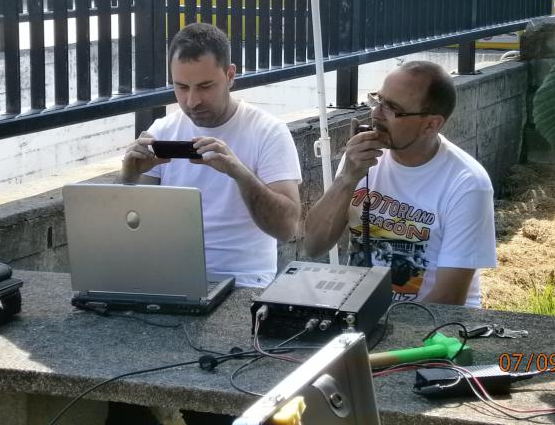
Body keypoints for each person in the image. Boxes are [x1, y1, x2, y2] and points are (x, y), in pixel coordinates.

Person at [118, 22, 302, 288]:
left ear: (230, 75)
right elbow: (128, 226)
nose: (192, 101)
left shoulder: (268, 132)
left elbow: (286, 228)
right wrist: (128, 177)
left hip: (243, 281)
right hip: (170, 277)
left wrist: (239, 174)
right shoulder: (162, 131)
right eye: (182, 87)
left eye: (205, 86)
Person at [304, 61, 496, 307]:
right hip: (363, 311)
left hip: (431, 322)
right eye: (378, 100)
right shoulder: (361, 157)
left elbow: (448, 299)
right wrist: (346, 178)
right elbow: (314, 245)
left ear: (431, 124)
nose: (375, 114)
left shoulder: (467, 184)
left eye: (392, 108)